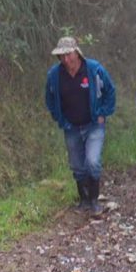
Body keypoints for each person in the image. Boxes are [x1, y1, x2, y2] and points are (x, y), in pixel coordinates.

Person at [45, 37, 116, 215]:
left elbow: (110, 91)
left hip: (93, 124)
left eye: (68, 54)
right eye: (61, 56)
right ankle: (83, 200)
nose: (65, 59)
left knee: (92, 161)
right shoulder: (54, 75)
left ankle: (94, 200)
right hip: (71, 126)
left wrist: (103, 113)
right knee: (77, 165)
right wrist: (59, 118)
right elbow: (50, 99)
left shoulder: (94, 69)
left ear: (77, 53)